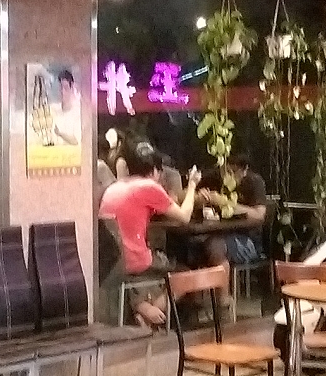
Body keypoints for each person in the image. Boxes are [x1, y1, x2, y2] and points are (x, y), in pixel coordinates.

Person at [99, 140, 201, 327]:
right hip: (135, 261)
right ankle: (148, 311)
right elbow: (185, 216)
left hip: (112, 263)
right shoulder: (148, 187)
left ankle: (141, 305)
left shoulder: (115, 188)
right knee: (184, 274)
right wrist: (192, 184)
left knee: (156, 261)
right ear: (155, 170)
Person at [196, 151, 268, 310]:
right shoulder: (215, 177)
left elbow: (259, 215)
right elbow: (184, 195)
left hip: (248, 241)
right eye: (226, 171)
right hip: (214, 233)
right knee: (193, 247)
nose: (228, 176)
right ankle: (191, 303)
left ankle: (223, 301)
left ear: (244, 170)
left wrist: (226, 203)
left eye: (233, 172)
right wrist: (198, 197)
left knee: (215, 246)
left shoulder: (254, 182)